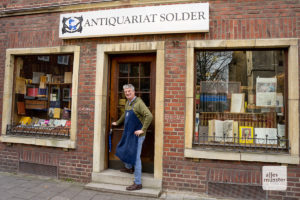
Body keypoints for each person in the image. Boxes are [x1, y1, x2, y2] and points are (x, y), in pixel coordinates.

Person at [112, 84, 153, 191]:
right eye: (126, 92)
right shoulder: (128, 102)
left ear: (134, 92)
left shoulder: (139, 103)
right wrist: (118, 122)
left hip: (137, 135)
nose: (127, 93)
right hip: (129, 133)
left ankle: (138, 183)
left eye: (129, 91)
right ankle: (129, 168)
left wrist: (142, 130)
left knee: (136, 158)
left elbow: (149, 116)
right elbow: (124, 114)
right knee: (123, 148)